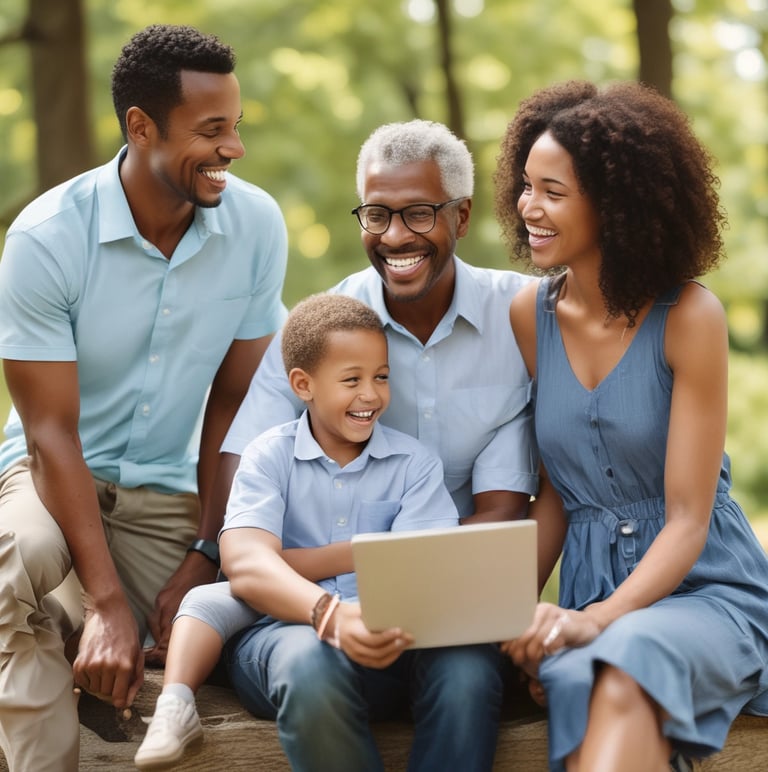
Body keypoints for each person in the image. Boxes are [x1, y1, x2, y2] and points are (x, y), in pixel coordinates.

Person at [0, 24, 287, 772]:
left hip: (172, 488)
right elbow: (49, 434)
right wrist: (104, 601)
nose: (234, 148)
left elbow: (237, 407)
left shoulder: (255, 226)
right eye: (211, 130)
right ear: (141, 127)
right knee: (20, 560)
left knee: (208, 630)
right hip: (57, 476)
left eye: (237, 126)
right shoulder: (46, 238)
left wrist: (206, 547)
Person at [494, 79, 768, 772]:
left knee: (626, 663)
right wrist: (500, 611)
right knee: (603, 682)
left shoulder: (689, 315)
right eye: (526, 185)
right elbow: (557, 495)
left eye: (553, 192)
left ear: (613, 207)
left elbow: (687, 519)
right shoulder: (531, 316)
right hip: (589, 602)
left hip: (704, 592)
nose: (530, 207)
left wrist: (597, 621)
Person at [135, 293, 493, 770]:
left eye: (381, 377)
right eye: (352, 380)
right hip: (285, 636)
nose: (371, 394)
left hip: (391, 643)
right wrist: (329, 611)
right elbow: (244, 563)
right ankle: (175, 707)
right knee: (307, 659)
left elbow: (421, 566)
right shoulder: (268, 456)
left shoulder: (414, 465)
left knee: (469, 668)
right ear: (303, 384)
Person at [218, 118, 539, 527]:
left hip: (463, 564)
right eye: (376, 214)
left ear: (461, 217)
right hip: (317, 574)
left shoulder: (520, 317)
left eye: (419, 214)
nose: (393, 236)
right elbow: (247, 455)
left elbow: (504, 511)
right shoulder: (324, 325)